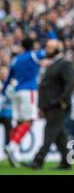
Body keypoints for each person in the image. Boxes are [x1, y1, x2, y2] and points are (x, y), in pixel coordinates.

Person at [23, 39, 74, 170]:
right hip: (49, 105)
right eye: (46, 47)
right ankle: (66, 162)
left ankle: (38, 161)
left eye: (50, 48)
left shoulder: (64, 63)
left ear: (58, 49)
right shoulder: (52, 64)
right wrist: (41, 105)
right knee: (59, 135)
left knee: (50, 133)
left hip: (57, 105)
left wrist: (61, 100)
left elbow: (70, 84)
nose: (47, 50)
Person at [1, 37, 47, 167]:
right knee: (29, 121)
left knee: (20, 122)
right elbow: (50, 52)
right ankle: (12, 145)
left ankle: (13, 151)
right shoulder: (34, 55)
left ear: (21, 46)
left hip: (16, 92)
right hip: (29, 91)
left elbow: (9, 77)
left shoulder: (15, 60)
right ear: (33, 45)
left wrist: (4, 91)